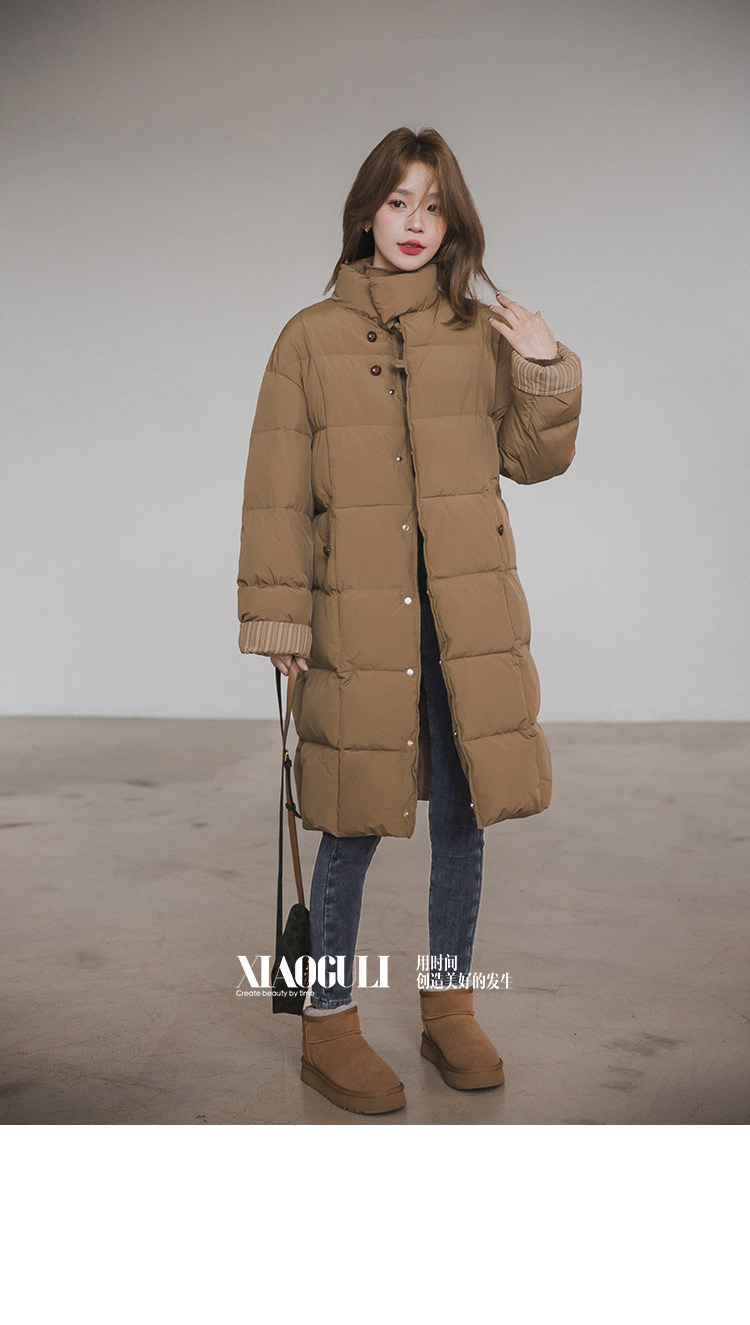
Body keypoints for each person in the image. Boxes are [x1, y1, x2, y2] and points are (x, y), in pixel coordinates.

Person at [237, 126, 582, 1115]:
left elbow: (533, 458)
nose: (415, 222)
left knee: (464, 816)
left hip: (463, 618)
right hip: (358, 620)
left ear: (453, 220)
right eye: (398, 202)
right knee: (353, 814)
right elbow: (276, 490)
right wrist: (280, 620)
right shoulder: (308, 339)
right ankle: (329, 1019)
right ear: (366, 214)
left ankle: (448, 1004)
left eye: (432, 205)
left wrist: (546, 365)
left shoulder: (477, 334)